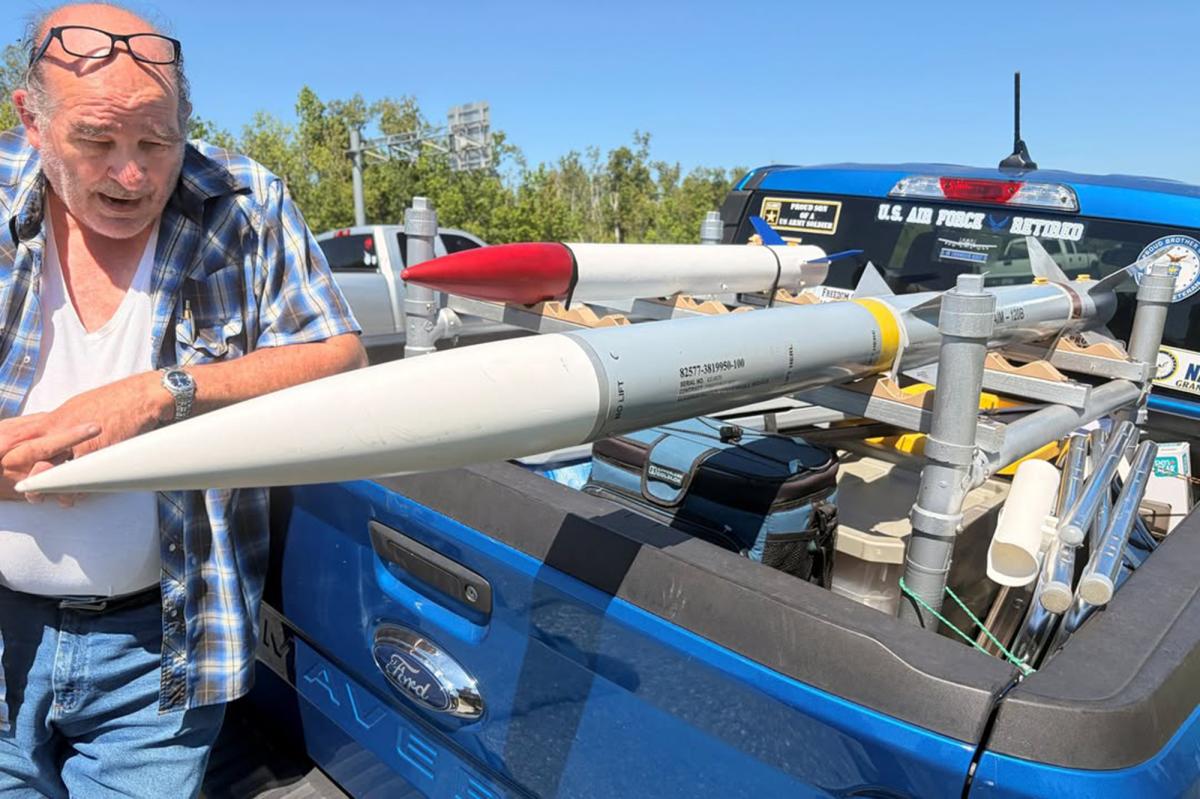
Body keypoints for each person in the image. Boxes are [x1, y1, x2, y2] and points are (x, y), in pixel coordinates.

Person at [0, 3, 366, 796]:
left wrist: (163, 393)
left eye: (156, 142)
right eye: (96, 140)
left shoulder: (245, 201)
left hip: (161, 644)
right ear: (32, 120)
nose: (131, 175)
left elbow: (338, 358)